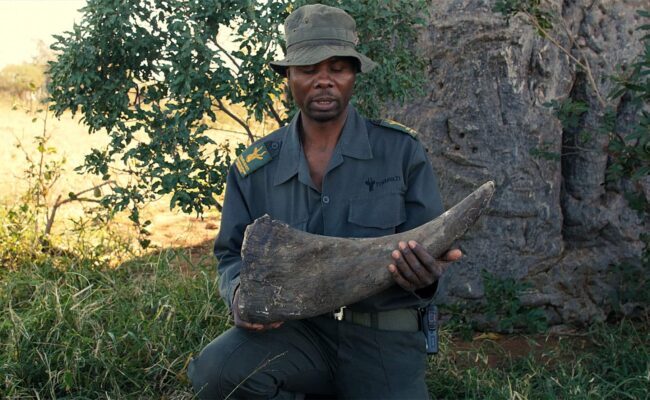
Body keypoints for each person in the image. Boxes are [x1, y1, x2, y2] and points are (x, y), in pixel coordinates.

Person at [188, 4, 462, 399]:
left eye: (337, 68)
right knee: (218, 373)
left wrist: (426, 275)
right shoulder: (254, 168)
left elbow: (431, 247)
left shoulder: (400, 152)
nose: (323, 81)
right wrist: (237, 294)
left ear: (354, 75)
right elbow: (231, 255)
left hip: (382, 337)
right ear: (288, 77)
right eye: (308, 69)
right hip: (297, 334)